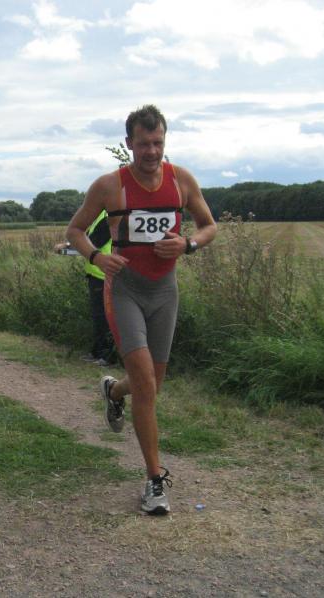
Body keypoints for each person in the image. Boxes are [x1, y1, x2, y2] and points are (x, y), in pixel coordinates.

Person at [66, 104, 217, 515]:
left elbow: (209, 225)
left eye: (158, 143)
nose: (151, 151)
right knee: (147, 386)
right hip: (125, 290)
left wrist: (188, 244)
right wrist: (97, 257)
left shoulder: (181, 180)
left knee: (151, 383)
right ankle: (154, 480)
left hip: (165, 291)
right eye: (143, 144)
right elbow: (74, 230)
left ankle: (114, 391)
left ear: (164, 142)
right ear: (129, 144)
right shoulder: (109, 186)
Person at [55, 210, 115, 366]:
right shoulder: (100, 214)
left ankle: (105, 356)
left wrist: (67, 246)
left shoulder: (108, 215)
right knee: (99, 316)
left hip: (103, 274)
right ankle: (97, 352)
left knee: (103, 317)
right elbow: (86, 238)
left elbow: (93, 242)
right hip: (99, 273)